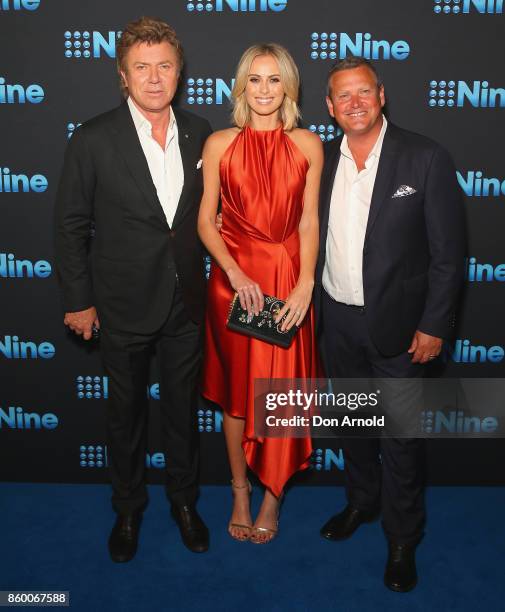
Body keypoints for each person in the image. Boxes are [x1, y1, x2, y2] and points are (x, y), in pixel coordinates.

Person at [54, 17, 212, 562]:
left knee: (181, 414)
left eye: (164, 65)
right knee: (125, 417)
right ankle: (127, 509)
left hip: (187, 304)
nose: (153, 78)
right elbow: (72, 225)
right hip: (121, 303)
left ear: (179, 70)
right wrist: (78, 298)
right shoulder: (94, 138)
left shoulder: (202, 132)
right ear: (123, 76)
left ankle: (185, 503)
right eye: (141, 68)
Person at [314, 57, 465, 590]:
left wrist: (435, 325)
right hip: (336, 318)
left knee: (399, 438)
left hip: (402, 329)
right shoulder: (320, 161)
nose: (354, 103)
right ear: (329, 107)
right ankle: (361, 502)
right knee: (353, 425)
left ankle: (403, 539)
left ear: (381, 95)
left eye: (363, 92)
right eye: (342, 96)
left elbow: (449, 254)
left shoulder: (424, 157)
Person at [198, 43, 322, 544]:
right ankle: (239, 490)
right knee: (237, 396)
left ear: (288, 88)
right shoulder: (220, 144)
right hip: (234, 282)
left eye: (275, 80)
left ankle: (273, 495)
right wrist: (234, 272)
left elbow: (310, 221)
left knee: (282, 393)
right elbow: (207, 222)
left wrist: (305, 283)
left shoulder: (309, 144)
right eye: (255, 79)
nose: (265, 90)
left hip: (288, 278)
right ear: (241, 86)